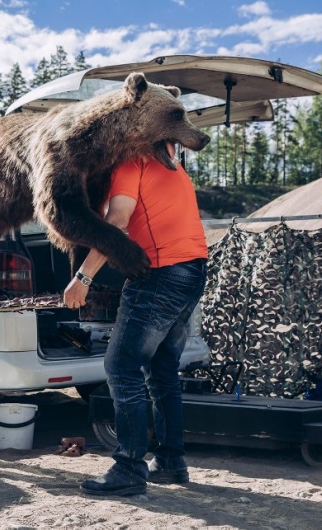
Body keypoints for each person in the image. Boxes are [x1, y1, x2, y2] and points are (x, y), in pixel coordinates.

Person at [63, 152, 208, 496]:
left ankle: (128, 467)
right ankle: (171, 462)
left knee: (121, 366)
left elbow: (117, 222)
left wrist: (82, 277)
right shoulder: (171, 164)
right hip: (192, 269)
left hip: (161, 272)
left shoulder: (132, 161)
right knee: (162, 370)